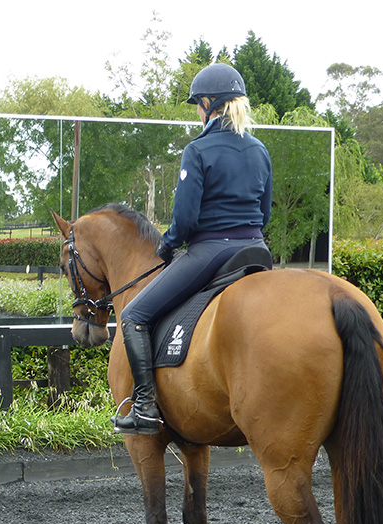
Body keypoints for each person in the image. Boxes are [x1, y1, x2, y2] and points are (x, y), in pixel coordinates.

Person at [112, 62, 273, 434]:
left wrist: (166, 247)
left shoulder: (198, 150)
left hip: (212, 252)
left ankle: (146, 407)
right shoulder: (260, 149)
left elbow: (183, 221)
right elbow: (264, 213)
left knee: (134, 317)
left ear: (207, 103)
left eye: (196, 105)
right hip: (256, 250)